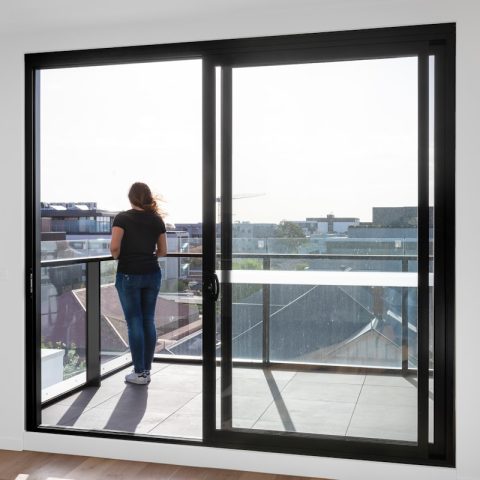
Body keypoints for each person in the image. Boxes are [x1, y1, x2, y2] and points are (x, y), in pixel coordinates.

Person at [110, 182, 167, 385]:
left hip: (129, 274)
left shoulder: (122, 218)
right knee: (147, 321)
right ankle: (146, 371)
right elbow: (162, 251)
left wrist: (120, 257)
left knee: (134, 322)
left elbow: (114, 247)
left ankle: (139, 372)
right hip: (152, 273)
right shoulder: (156, 219)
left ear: (131, 197)